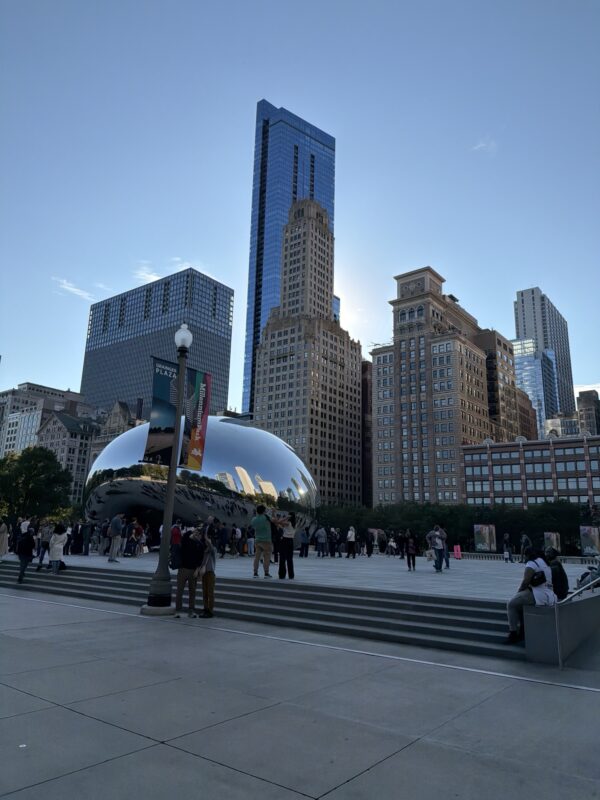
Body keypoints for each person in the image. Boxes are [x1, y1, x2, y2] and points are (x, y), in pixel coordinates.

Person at [505, 547, 556, 643]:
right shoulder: (543, 561)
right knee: (520, 605)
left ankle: (513, 633)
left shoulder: (531, 563)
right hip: (549, 594)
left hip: (538, 594)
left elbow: (526, 581)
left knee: (511, 604)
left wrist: (519, 592)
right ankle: (522, 631)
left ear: (527, 555)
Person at [175, 527, 205, 618]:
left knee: (192, 592)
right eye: (196, 533)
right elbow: (185, 536)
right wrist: (191, 531)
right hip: (182, 569)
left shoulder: (200, 545)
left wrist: (197, 570)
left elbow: (200, 560)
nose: (197, 535)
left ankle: (191, 611)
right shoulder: (186, 541)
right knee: (179, 590)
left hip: (193, 571)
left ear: (201, 536)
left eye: (199, 534)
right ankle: (177, 610)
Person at [251, 505, 273, 578]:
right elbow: (274, 521)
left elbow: (253, 526)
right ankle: (266, 573)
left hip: (257, 540)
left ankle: (255, 572)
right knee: (267, 557)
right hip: (267, 540)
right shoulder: (266, 518)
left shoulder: (254, 519)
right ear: (264, 511)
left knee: (256, 557)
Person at [200, 528, 216, 617]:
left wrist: (206, 537)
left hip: (210, 573)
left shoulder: (213, 551)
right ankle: (205, 608)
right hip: (204, 574)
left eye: (209, 540)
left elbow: (210, 546)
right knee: (204, 592)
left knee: (210, 592)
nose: (207, 542)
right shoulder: (204, 552)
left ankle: (210, 610)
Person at [278, 513, 296, 580]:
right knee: (290, 559)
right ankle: (291, 575)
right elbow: (280, 525)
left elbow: (279, 522)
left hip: (285, 540)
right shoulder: (294, 524)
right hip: (291, 541)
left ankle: (282, 575)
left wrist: (286, 517)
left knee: (282, 558)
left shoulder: (288, 523)